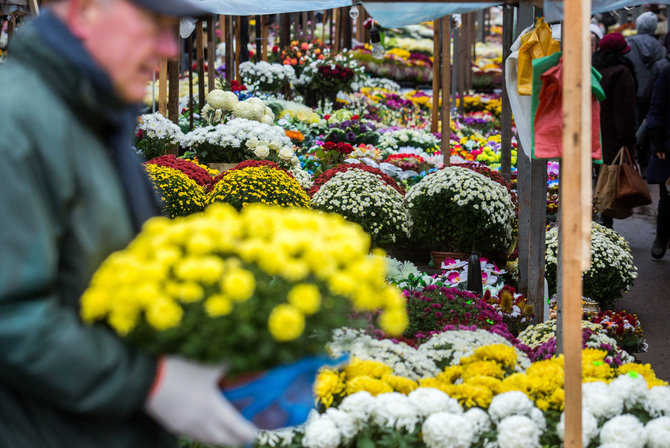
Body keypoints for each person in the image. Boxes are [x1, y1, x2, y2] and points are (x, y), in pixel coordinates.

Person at [0, 0, 257, 446]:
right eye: (155, 23)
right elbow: (11, 314)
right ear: (84, 13)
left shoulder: (88, 114)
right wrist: (149, 382)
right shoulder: (16, 125)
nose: (169, 47)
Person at [592, 32, 638, 228]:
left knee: (596, 175)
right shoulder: (622, 72)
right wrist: (628, 140)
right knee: (609, 180)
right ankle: (605, 221)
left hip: (594, 131)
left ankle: (597, 217)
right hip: (613, 136)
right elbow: (625, 111)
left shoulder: (593, 69)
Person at [626, 11, 666, 168]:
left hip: (633, 93)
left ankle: (634, 159)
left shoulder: (628, 44)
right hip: (654, 93)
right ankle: (648, 160)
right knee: (652, 125)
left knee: (634, 126)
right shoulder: (660, 48)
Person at [645, 64, 670, 259]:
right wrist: (658, 140)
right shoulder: (667, 72)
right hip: (667, 148)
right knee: (667, 197)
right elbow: (656, 108)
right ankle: (661, 238)